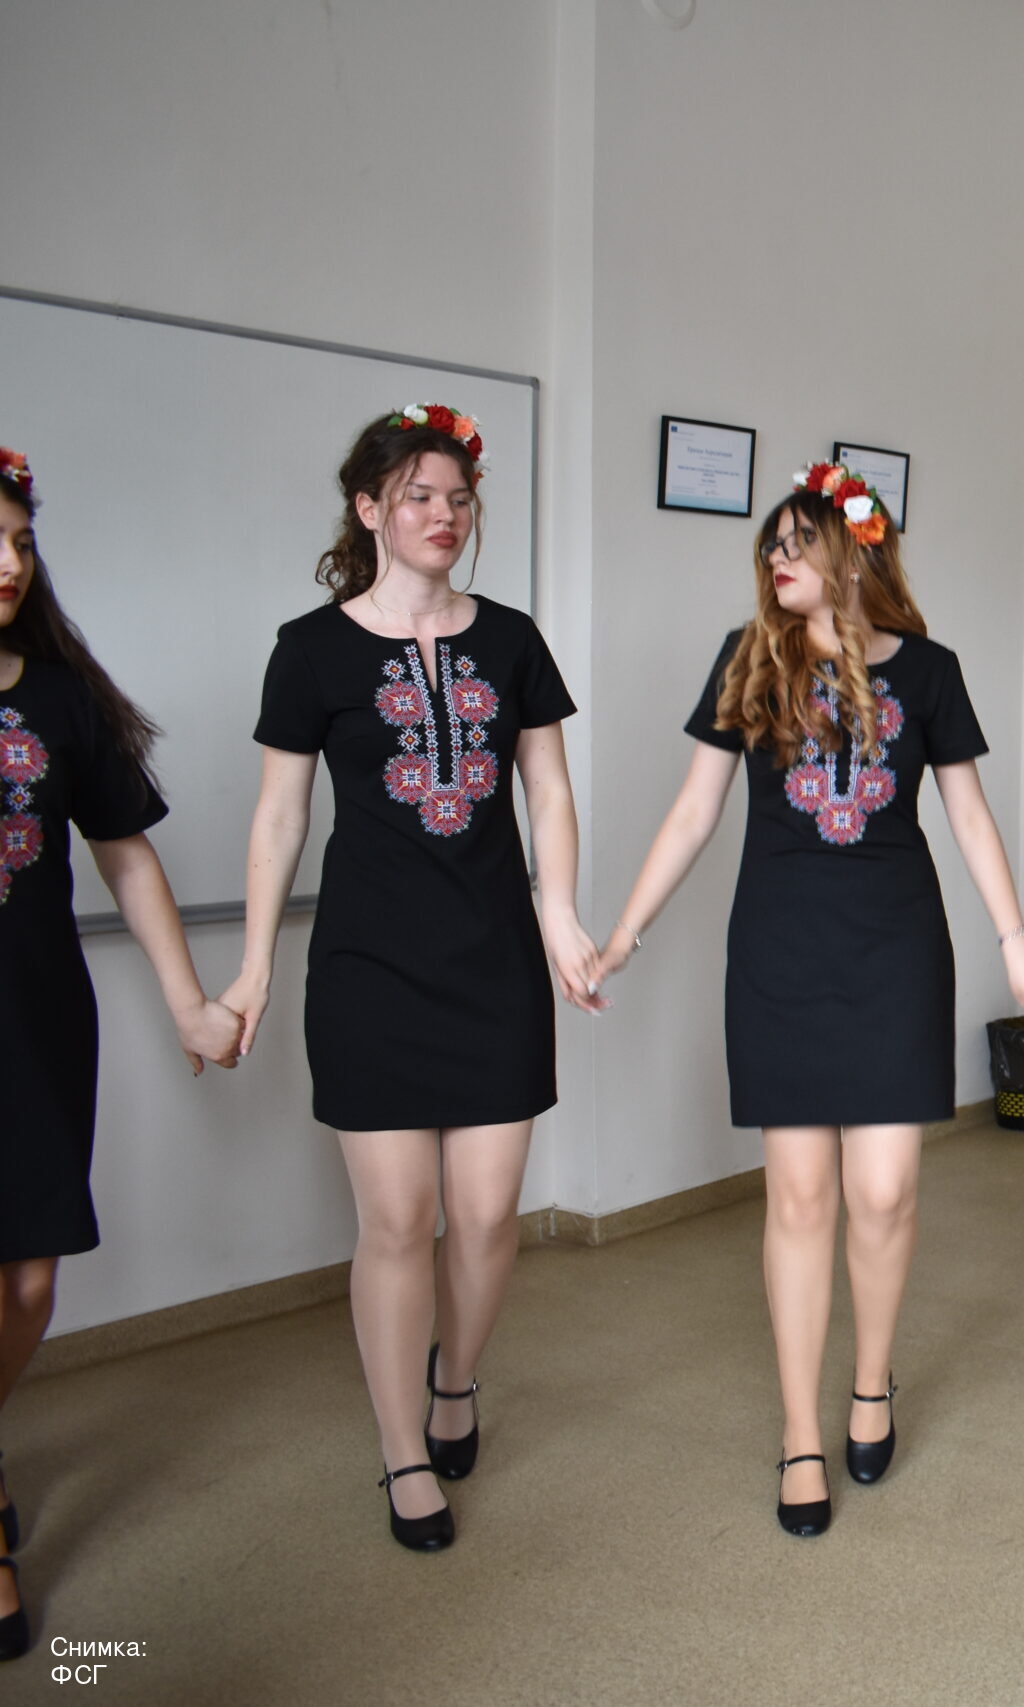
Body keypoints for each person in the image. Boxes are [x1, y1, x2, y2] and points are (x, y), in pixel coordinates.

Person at [596, 463, 1024, 1537]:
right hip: (780, 954)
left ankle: (870, 1381)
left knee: (883, 1193)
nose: (777, 559)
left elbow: (969, 817)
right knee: (799, 1199)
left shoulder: (929, 671)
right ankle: (801, 1431)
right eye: (770, 545)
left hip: (896, 953)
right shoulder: (747, 659)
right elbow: (693, 814)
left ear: (855, 554)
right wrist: (622, 933)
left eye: (798, 541)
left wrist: (1017, 944)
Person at [224, 407, 600, 1553]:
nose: (445, 516)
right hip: (368, 969)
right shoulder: (310, 649)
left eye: (459, 498)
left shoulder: (513, 639)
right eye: (420, 497)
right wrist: (252, 968)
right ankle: (401, 1452)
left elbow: (549, 793)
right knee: (397, 1222)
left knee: (483, 1219)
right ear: (370, 508)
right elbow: (278, 819)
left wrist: (559, 916)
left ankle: (455, 1381)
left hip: (492, 963)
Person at [0, 447, 243, 1660]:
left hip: (34, 1019)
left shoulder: (59, 697)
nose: (7, 564)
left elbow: (126, 855)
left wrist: (191, 1003)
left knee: (29, 1287)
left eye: (19, 542)